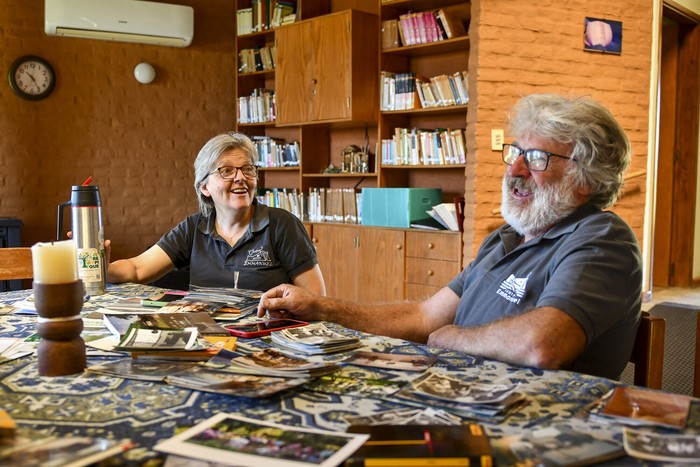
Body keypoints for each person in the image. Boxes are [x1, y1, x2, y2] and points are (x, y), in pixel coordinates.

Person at [258, 94, 642, 380]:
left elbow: (540, 345)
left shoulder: (602, 240)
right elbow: (425, 316)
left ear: (587, 180)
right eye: (515, 154)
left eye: (537, 159)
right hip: (461, 394)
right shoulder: (506, 238)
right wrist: (322, 308)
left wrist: (449, 339)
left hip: (534, 425)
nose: (516, 170)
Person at [107, 132, 326, 294]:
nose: (240, 178)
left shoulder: (281, 224)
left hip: (265, 340)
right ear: (205, 187)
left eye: (247, 169)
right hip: (207, 341)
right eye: (226, 171)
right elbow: (137, 269)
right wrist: (99, 268)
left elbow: (317, 298)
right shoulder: (194, 228)